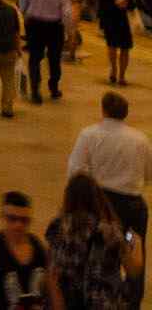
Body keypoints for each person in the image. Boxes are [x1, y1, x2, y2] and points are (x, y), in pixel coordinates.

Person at [68, 90, 152, 283]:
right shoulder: (141, 139)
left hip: (98, 205)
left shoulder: (89, 134)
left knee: (96, 253)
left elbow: (76, 171)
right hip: (132, 208)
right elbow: (149, 174)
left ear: (103, 110)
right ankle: (132, 300)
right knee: (133, 249)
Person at [49, 174, 142, 310]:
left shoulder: (58, 227)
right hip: (105, 303)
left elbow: (53, 274)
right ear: (96, 197)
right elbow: (133, 270)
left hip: (71, 301)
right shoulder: (110, 231)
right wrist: (137, 242)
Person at [0, 188, 60, 310]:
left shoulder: (39, 247)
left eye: (24, 220)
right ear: (3, 216)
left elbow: (54, 292)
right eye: (12, 219)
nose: (18, 225)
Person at [23, 0, 73, 106]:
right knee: (54, 58)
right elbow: (67, 12)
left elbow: (22, 3)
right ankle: (53, 87)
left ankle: (35, 90)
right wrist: (70, 32)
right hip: (54, 27)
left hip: (35, 25)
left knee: (35, 58)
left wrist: (26, 16)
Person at [99, 0, 137, 87]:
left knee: (125, 48)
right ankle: (114, 69)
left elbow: (131, 5)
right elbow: (102, 6)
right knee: (112, 46)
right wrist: (115, 4)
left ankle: (122, 76)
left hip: (122, 21)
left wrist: (125, 4)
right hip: (109, 20)